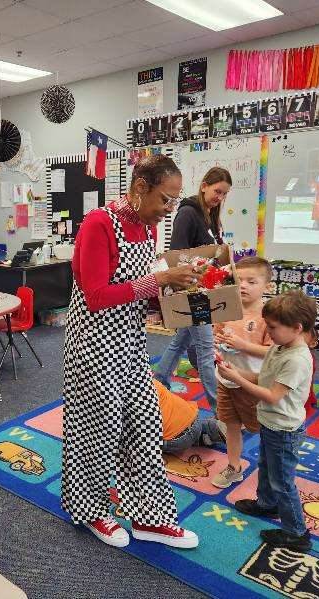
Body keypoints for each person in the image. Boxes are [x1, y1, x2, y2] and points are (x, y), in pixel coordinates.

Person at [62, 154, 201, 549]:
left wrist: (175, 296)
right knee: (97, 431)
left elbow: (138, 290)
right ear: (140, 188)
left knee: (144, 428)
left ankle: (150, 518)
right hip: (93, 347)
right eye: (165, 199)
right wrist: (158, 280)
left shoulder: (146, 229)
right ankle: (90, 511)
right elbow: (96, 296)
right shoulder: (98, 224)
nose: (169, 210)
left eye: (174, 201)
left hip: (130, 347)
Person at [218, 290, 317, 551]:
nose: (268, 332)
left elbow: (272, 395)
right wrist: (235, 371)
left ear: (296, 328)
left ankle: (296, 533)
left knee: (283, 481)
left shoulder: (296, 359)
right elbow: (263, 378)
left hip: (284, 429)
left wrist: (237, 379)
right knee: (266, 466)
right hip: (271, 424)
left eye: (272, 327)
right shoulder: (280, 347)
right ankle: (266, 504)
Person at [155, 166, 232, 414]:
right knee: (206, 352)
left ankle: (158, 384)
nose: (219, 197)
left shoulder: (210, 215)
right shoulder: (188, 213)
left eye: (224, 194)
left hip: (204, 290)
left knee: (180, 343)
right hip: (193, 292)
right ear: (204, 185)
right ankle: (220, 410)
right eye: (217, 191)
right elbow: (178, 254)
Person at [211, 257, 273, 489]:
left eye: (252, 281)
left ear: (267, 287)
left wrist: (242, 345)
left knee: (264, 429)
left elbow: (274, 353)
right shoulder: (227, 309)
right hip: (225, 380)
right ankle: (234, 466)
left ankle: (270, 471)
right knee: (231, 424)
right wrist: (218, 341)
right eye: (239, 281)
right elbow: (216, 334)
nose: (244, 286)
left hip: (253, 383)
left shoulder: (269, 317)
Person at [154, 380, 225, 455]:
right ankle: (212, 429)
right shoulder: (150, 380)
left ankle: (199, 438)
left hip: (177, 439)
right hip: (194, 419)